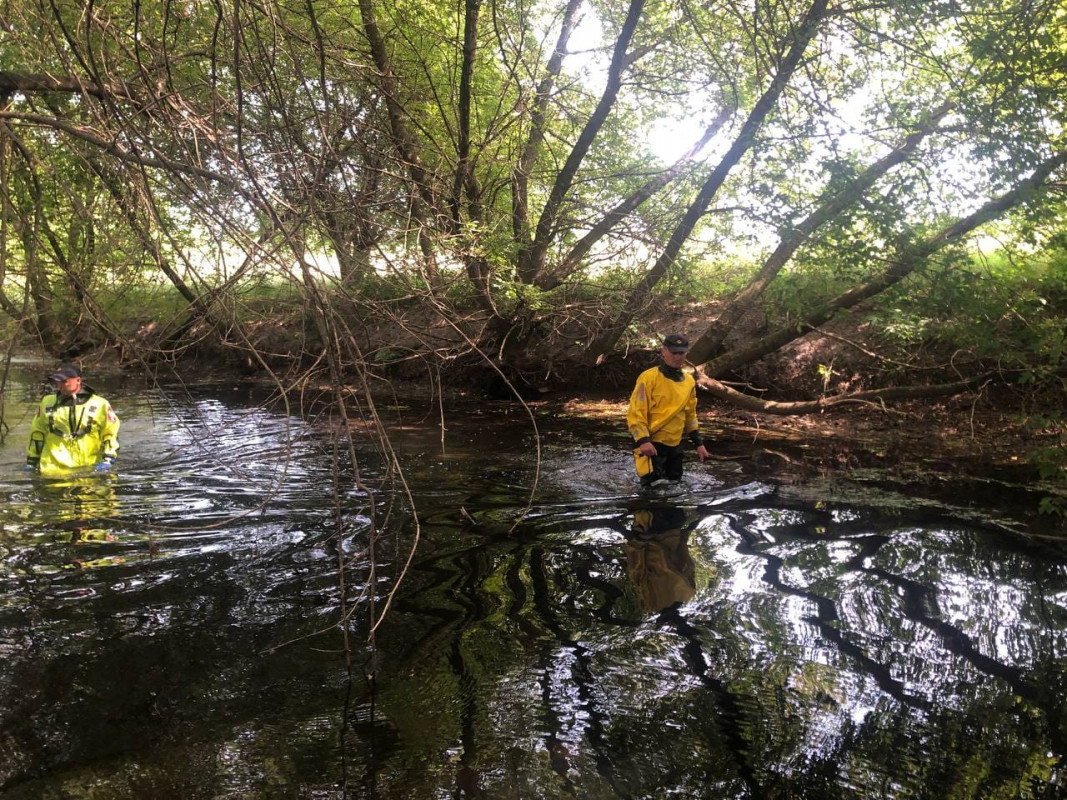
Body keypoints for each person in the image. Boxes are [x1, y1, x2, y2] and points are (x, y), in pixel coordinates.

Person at [626, 333, 709, 488]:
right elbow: (637, 412)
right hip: (652, 443)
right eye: (674, 352)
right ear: (663, 351)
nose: (678, 357)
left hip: (675, 445)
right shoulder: (648, 378)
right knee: (653, 490)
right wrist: (643, 441)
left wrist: (699, 444)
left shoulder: (689, 381)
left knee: (673, 486)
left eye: (681, 353)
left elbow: (690, 414)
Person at [24, 364, 120, 475]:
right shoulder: (47, 402)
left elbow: (110, 433)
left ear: (78, 380)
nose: (59, 385)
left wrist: (108, 459)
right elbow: (38, 432)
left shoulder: (100, 404)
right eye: (57, 381)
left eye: (64, 381)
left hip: (90, 468)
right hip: (52, 469)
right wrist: (32, 461)